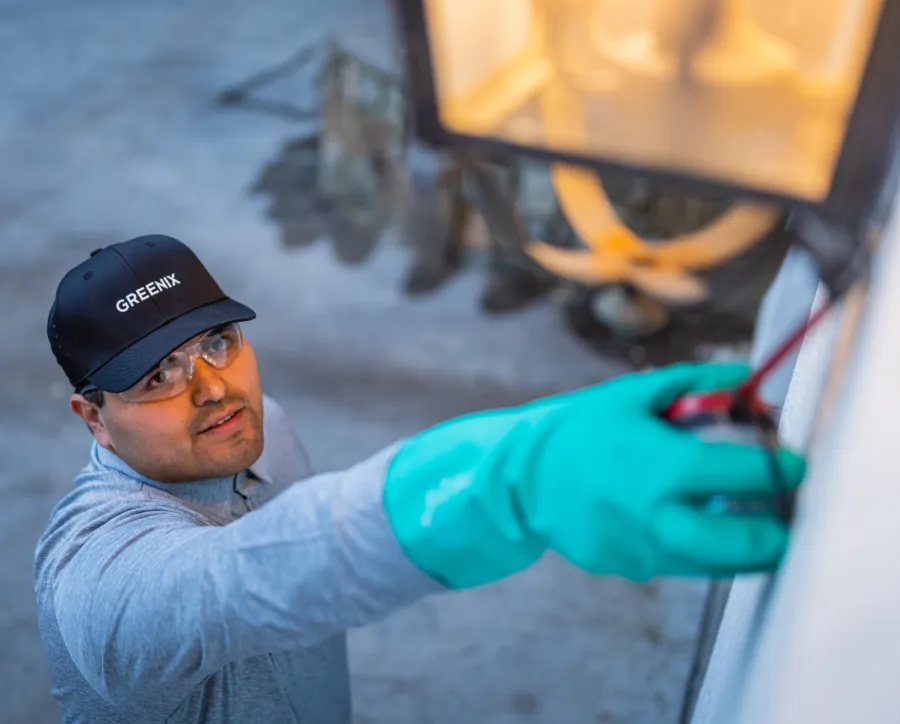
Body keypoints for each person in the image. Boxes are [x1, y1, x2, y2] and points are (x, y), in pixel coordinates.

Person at [35, 234, 806, 724]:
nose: (212, 389)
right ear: (92, 417)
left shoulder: (257, 423)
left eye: (218, 343)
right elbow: (258, 575)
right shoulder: (100, 582)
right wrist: (510, 482)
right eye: (155, 378)